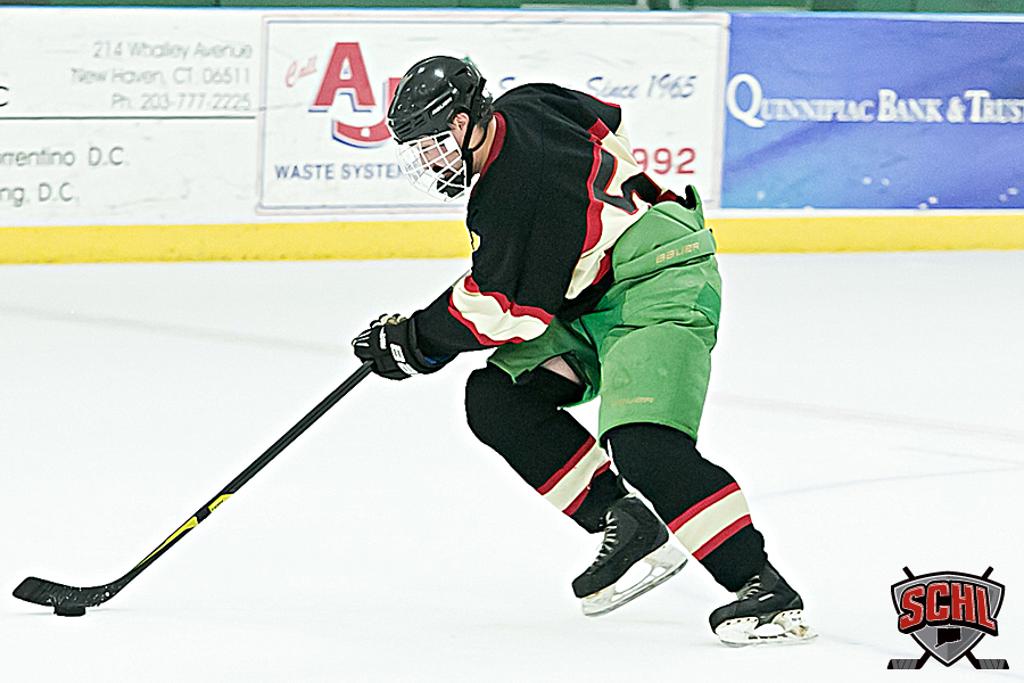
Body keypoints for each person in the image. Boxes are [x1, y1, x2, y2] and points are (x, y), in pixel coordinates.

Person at [352, 55, 814, 646]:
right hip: (590, 296)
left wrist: (415, 342)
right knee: (498, 397)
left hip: (660, 282)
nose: (429, 160)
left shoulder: (513, 190)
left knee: (643, 443)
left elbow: (506, 310)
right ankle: (624, 521)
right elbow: (606, 119)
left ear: (468, 122)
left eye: (436, 142)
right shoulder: (530, 103)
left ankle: (763, 586)